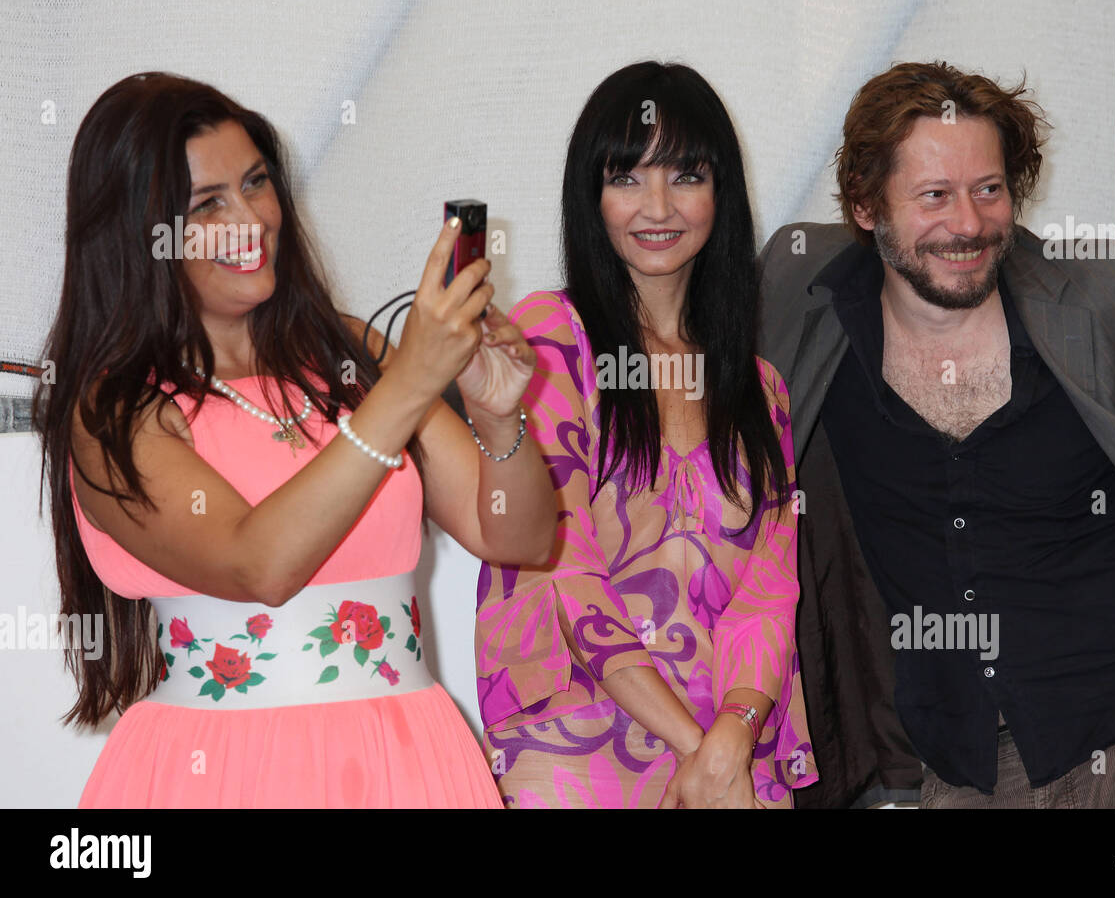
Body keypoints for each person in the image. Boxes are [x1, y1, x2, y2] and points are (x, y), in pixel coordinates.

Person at [758, 60, 1115, 808]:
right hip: (965, 763)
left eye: (989, 189)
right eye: (934, 195)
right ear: (864, 204)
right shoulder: (801, 296)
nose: (970, 224)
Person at [34, 71, 556, 807]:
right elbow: (260, 566)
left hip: (408, 757)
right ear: (139, 234)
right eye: (208, 204)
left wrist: (501, 418)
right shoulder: (114, 410)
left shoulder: (344, 350)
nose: (252, 218)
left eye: (255, 184)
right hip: (218, 773)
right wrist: (407, 383)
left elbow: (520, 538)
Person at [474, 61, 817, 808]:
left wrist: (731, 737)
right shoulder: (551, 341)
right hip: (577, 746)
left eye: (686, 175)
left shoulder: (760, 389)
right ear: (589, 195)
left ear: (721, 192)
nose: (657, 205)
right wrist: (699, 753)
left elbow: (768, 593)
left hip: (731, 749)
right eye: (627, 176)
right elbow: (562, 567)